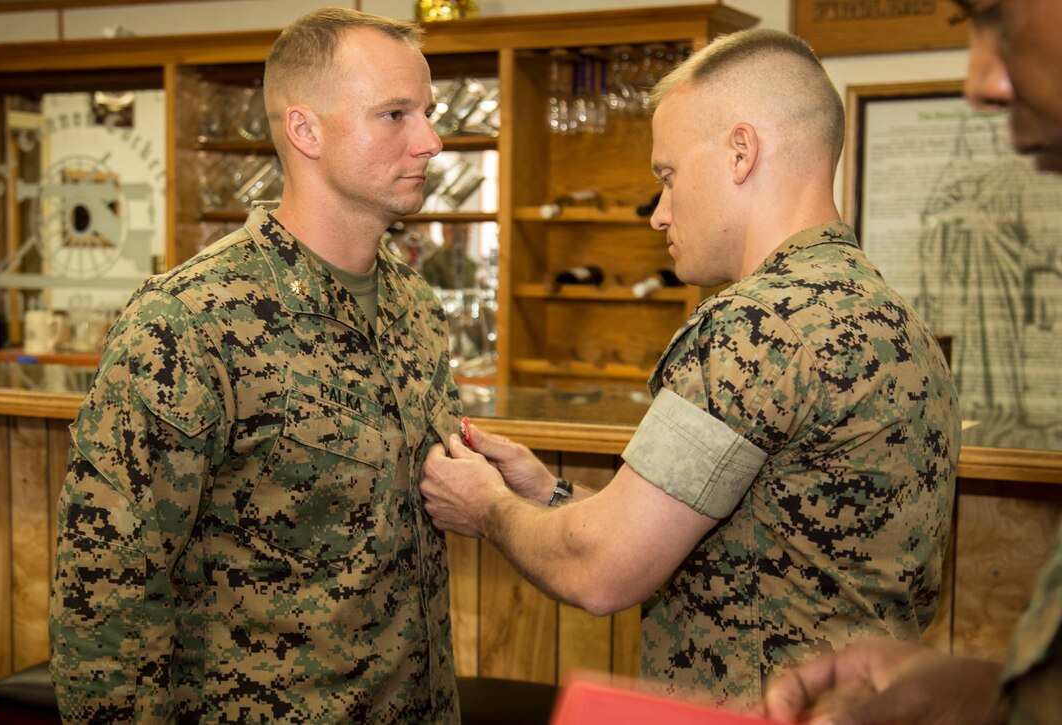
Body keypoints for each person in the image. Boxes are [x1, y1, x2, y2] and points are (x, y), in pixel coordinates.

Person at [420, 28, 959, 710]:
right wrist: (543, 493)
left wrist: (487, 507)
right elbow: (752, 550)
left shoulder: (758, 326)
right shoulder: (894, 319)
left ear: (741, 152)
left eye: (668, 176)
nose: (659, 213)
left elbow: (602, 569)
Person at [50, 9, 463, 722]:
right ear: (306, 131)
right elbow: (106, 598)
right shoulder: (187, 322)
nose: (429, 140)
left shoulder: (414, 305)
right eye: (395, 114)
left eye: (428, 112)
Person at [758, 1, 1062, 722]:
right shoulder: (882, 300)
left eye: (999, 15)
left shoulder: (753, 320)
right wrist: (993, 697)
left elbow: (609, 566)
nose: (981, 82)